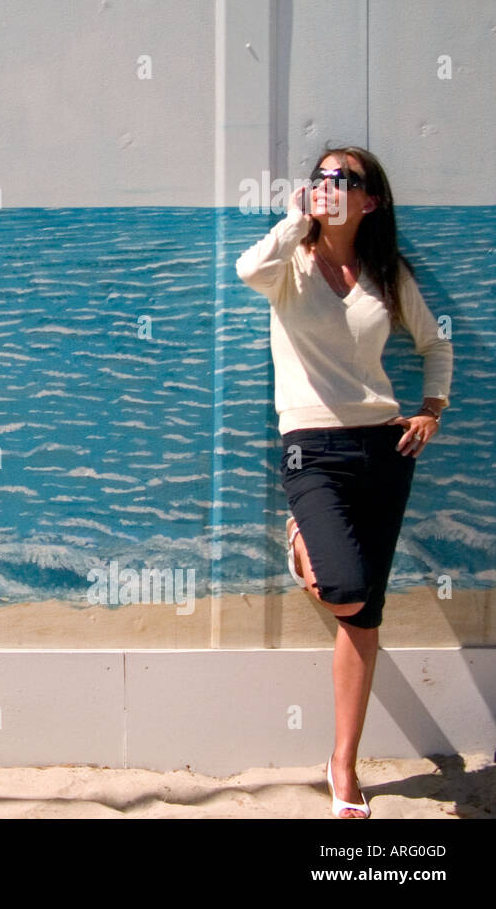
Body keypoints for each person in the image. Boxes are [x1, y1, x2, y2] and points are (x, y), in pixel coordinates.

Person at [234, 146, 453, 818]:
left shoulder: (389, 275)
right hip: (311, 447)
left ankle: (343, 764)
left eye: (345, 179)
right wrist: (297, 218)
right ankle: (301, 537)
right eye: (321, 177)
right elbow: (247, 269)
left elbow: (434, 344)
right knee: (343, 587)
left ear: (371, 200)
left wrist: (431, 410)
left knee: (364, 616)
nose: (330, 186)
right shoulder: (289, 266)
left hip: (385, 447)